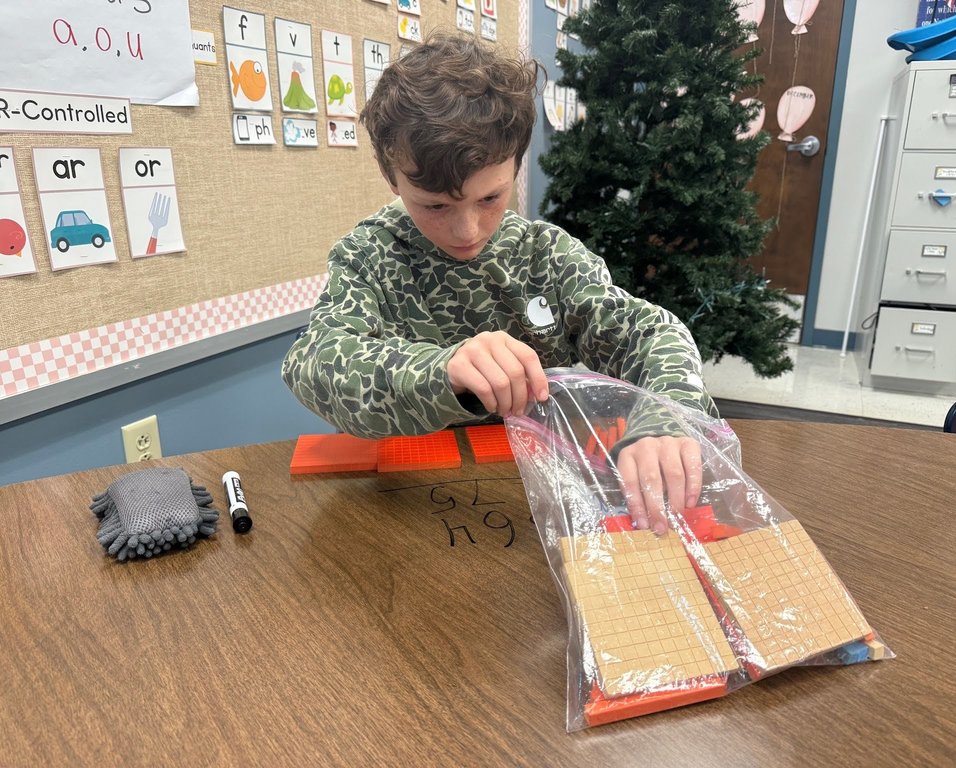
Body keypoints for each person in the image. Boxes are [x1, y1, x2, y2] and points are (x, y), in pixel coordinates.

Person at [282, 30, 717, 536]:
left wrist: (664, 420)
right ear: (391, 176)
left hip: (537, 503)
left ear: (516, 162)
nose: (466, 232)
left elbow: (652, 332)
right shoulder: (371, 256)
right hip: (406, 509)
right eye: (435, 206)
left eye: (491, 198)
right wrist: (441, 368)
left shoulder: (546, 257)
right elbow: (313, 363)